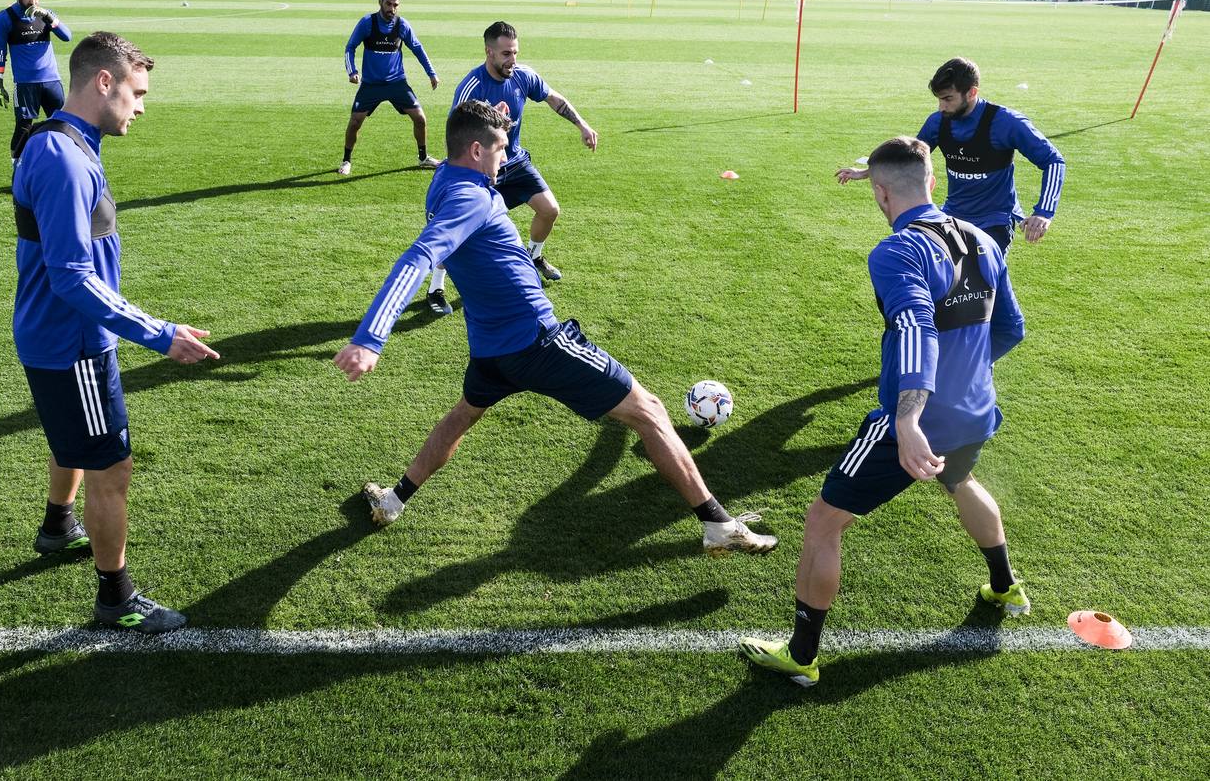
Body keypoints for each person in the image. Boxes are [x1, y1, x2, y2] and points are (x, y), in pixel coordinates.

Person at [334, 100, 774, 557]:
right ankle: (717, 525)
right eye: (501, 148)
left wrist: (493, 118)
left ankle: (394, 500)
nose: (507, 158)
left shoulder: (446, 179)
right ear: (477, 150)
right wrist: (370, 338)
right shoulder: (470, 198)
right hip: (538, 342)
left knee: (463, 414)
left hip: (492, 349)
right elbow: (418, 258)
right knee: (650, 411)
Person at [743, 136, 1029, 687]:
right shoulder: (982, 240)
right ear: (933, 182)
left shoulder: (897, 251)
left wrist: (907, 417)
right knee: (961, 480)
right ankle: (1003, 585)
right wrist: (962, 378)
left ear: (879, 191)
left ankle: (801, 657)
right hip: (976, 410)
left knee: (823, 521)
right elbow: (1010, 328)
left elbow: (914, 325)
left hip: (919, 421)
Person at [13, 31, 219, 634]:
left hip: (61, 336)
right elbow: (73, 277)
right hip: (73, 340)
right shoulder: (64, 158)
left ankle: (57, 525)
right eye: (137, 92)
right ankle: (116, 599)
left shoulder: (66, 142)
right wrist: (159, 334)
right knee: (112, 465)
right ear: (104, 82)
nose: (142, 105)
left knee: (72, 435)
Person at [425, 21, 596, 313]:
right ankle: (435, 287)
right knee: (459, 229)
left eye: (515, 53)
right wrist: (460, 172)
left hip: (514, 161)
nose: (512, 60)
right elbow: (456, 131)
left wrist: (582, 124)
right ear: (489, 52)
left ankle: (534, 255)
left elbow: (554, 99)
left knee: (549, 210)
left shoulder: (523, 75)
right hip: (480, 170)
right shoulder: (472, 86)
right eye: (506, 54)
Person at [837, 57, 1065, 254]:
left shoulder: (1006, 123)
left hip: (994, 220)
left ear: (972, 92)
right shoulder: (938, 122)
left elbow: (1053, 161)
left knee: (980, 287)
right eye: (939, 99)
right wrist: (867, 172)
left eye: (948, 99)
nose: (941, 107)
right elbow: (909, 160)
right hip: (951, 216)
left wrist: (1044, 213)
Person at [340, 0, 441, 176]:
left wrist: (431, 73)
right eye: (388, 4)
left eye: (396, 5)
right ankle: (346, 160)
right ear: (380, 2)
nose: (392, 8)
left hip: (397, 83)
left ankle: (423, 157)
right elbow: (350, 47)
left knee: (420, 118)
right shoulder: (367, 23)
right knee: (355, 122)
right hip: (371, 85)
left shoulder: (402, 25)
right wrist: (352, 71)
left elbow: (418, 49)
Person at [0, 0, 72, 157]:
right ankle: (17, 168)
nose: (32, 2)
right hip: (25, 83)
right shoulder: (5, 18)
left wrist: (49, 17)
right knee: (24, 127)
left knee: (62, 124)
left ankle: (61, 163)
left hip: (52, 81)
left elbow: (67, 36)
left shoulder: (45, 15)